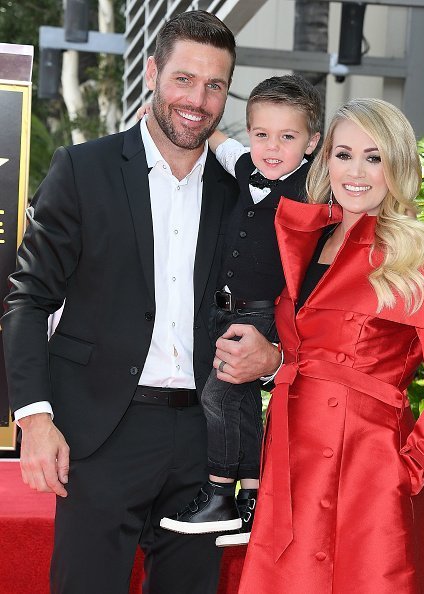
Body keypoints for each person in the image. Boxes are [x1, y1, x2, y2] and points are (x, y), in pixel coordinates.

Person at [1, 11, 280, 594]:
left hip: (207, 444)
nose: (197, 100)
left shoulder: (240, 194)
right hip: (99, 433)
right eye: (184, 79)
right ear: (152, 73)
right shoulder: (84, 169)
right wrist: (34, 417)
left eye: (215, 86)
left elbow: (276, 300)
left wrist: (273, 356)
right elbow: (28, 300)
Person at [237, 98, 424, 593]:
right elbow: (310, 353)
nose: (356, 171)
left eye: (374, 157)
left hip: (369, 472)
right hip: (289, 453)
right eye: (343, 153)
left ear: (398, 166)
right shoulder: (305, 239)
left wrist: (406, 469)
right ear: (325, 158)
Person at [157, 74, 321, 546]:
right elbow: (220, 140)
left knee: (218, 397)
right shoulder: (245, 165)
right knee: (244, 401)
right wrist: (170, 112)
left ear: (311, 142)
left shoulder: (313, 190)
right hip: (222, 312)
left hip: (261, 316)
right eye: (261, 134)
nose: (271, 148)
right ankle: (252, 498)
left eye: (287, 137)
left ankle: (217, 493)